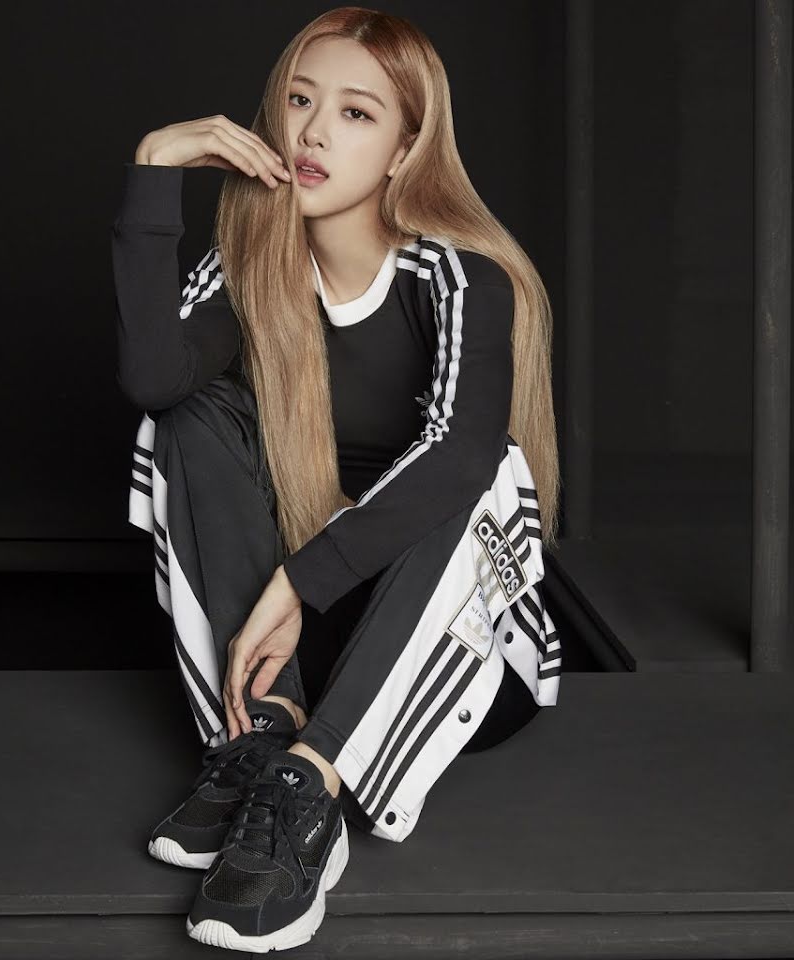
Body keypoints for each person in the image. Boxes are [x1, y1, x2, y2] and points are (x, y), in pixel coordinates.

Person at [112, 7, 562, 952]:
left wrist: (296, 581)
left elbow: (460, 459)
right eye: (299, 101)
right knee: (188, 416)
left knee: (479, 467)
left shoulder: (460, 279)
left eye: (356, 114)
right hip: (305, 648)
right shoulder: (250, 268)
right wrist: (154, 169)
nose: (313, 132)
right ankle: (262, 736)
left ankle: (308, 788)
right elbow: (155, 381)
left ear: (405, 150)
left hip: (458, 653)